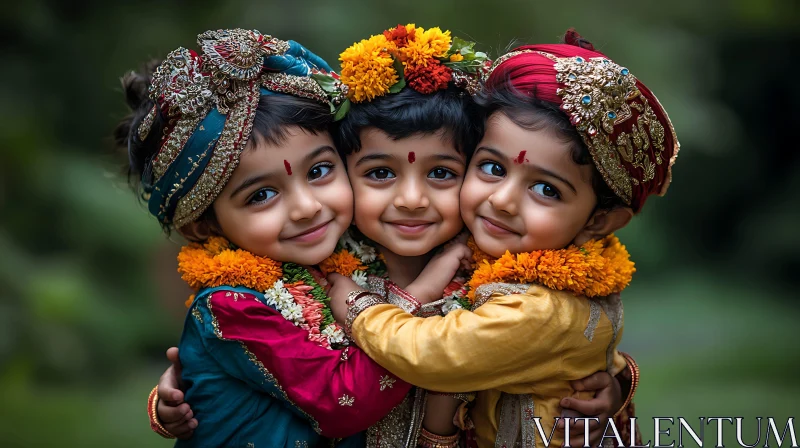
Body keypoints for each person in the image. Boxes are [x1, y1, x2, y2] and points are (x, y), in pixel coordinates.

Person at [327, 30, 677, 448]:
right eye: (493, 168)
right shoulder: (462, 249)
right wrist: (618, 381)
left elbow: (432, 354)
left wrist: (356, 303)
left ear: (599, 221)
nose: (504, 201)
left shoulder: (543, 298)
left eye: (546, 190)